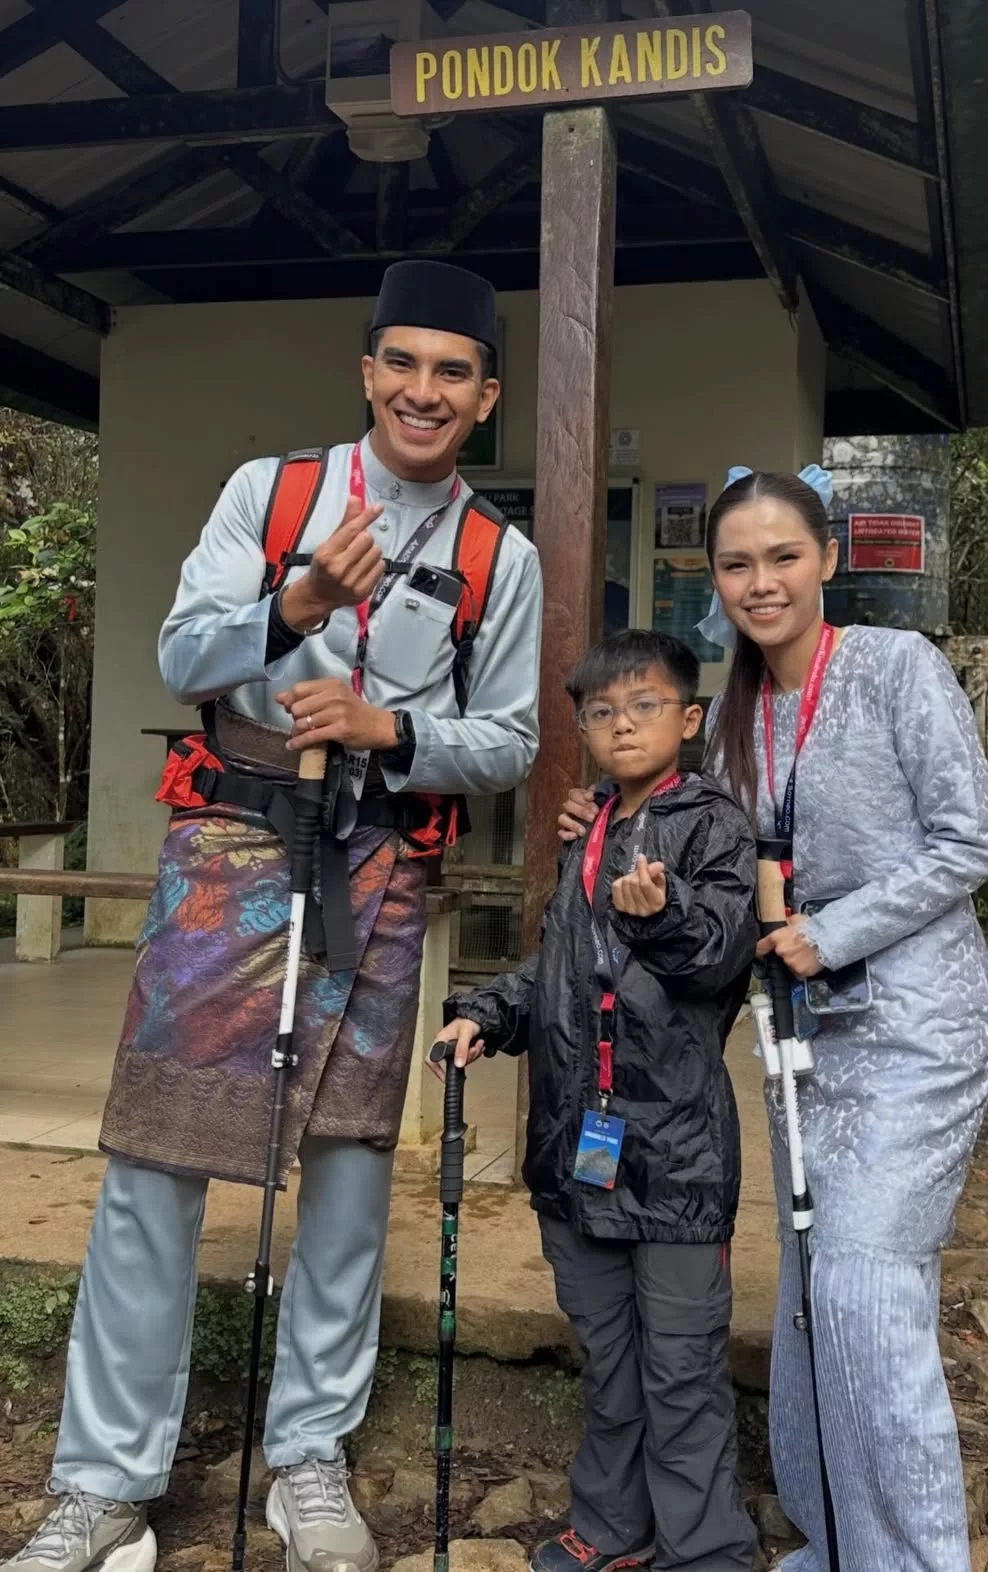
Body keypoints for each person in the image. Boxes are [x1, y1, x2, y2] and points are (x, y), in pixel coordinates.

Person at [6, 261, 542, 1572]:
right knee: (156, 1159)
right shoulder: (274, 493)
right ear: (367, 372)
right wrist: (293, 605)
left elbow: (512, 738)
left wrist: (392, 728)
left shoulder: (497, 556)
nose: (423, 389)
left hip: (375, 864)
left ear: (485, 396)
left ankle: (304, 1457)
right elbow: (182, 656)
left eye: (452, 370)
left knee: (353, 1168)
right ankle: (104, 1481)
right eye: (401, 361)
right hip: (233, 843)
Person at [560, 469, 988, 1572]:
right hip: (801, 1039)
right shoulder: (730, 718)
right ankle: (829, 1540)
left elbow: (969, 842)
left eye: (782, 557)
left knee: (864, 1281)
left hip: (914, 1023)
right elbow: (697, 845)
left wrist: (835, 929)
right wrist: (606, 817)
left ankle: (911, 1560)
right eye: (737, 564)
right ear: (714, 579)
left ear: (827, 558)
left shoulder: (900, 668)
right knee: (812, 1294)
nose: (762, 583)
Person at [436, 629, 760, 1572]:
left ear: (689, 719)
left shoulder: (711, 825)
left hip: (676, 1158)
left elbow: (716, 957)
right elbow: (558, 968)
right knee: (609, 1359)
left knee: (683, 1365)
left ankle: (703, 1551)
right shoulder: (592, 829)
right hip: (579, 1144)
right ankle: (613, 1527)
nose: (622, 726)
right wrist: (486, 1015)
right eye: (601, 712)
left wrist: (661, 913)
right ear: (580, 727)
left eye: (645, 706)